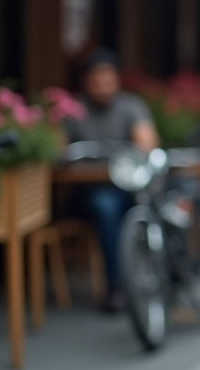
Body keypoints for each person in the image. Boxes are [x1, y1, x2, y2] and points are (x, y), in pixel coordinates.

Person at [64, 48, 159, 313]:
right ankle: (116, 286)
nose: (102, 88)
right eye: (96, 82)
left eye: (108, 80)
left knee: (156, 202)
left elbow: (147, 144)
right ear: (85, 81)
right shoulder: (73, 111)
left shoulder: (131, 106)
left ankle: (164, 277)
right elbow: (57, 153)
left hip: (128, 187)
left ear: (117, 79)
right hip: (88, 193)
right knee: (106, 207)